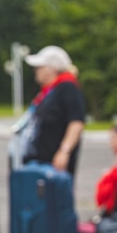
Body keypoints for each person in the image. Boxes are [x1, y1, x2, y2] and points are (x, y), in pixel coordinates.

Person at [14, 45, 86, 176]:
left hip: (52, 166)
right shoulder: (48, 91)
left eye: (39, 67)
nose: (35, 71)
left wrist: (64, 151)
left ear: (51, 69)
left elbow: (76, 122)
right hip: (38, 162)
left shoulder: (68, 88)